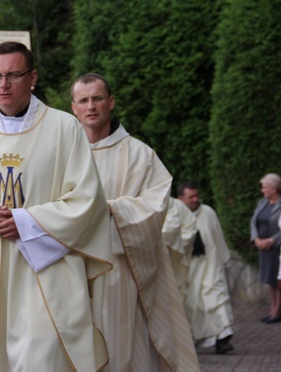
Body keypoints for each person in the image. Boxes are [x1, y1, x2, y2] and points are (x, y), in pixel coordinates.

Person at [0, 42, 112, 371]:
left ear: (33, 76)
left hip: (48, 270)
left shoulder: (65, 128)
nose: (3, 84)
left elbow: (87, 199)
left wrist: (26, 221)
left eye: (13, 75)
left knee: (44, 354)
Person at [71, 73, 199, 371]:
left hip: (121, 271)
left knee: (121, 352)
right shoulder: (61, 153)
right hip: (69, 269)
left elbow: (154, 208)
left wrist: (101, 210)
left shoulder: (140, 154)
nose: (91, 106)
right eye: (83, 100)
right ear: (73, 107)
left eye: (98, 98)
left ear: (111, 102)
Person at [178, 182, 235, 353]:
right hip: (188, 269)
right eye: (191, 197)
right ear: (181, 198)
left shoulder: (208, 212)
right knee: (191, 304)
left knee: (217, 300)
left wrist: (223, 258)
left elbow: (218, 235)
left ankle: (223, 339)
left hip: (210, 265)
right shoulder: (174, 213)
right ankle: (192, 340)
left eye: (197, 195)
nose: (196, 199)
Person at [249, 173, 281, 323]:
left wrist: (272, 240)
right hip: (263, 247)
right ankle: (272, 309)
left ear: (274, 189)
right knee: (269, 279)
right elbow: (253, 221)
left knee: (279, 280)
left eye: (265, 187)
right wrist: (256, 238)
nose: (262, 190)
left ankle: (277, 311)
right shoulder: (262, 202)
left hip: (277, 247)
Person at [162, 196, 198, 298]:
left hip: (172, 257)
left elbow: (189, 227)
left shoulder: (177, 205)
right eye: (190, 196)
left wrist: (176, 245)